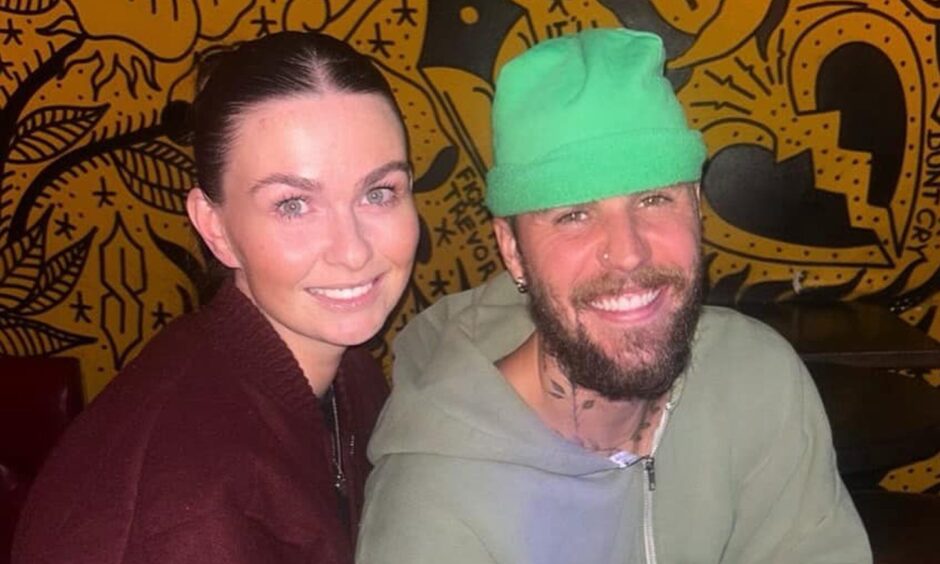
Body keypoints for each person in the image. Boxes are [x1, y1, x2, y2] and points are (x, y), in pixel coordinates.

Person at [356, 28, 870, 564]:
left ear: (696, 206)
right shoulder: (433, 507)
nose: (627, 253)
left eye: (653, 199)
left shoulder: (756, 377)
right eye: (574, 214)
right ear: (512, 249)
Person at [13, 31, 418, 564]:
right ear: (215, 226)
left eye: (379, 192)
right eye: (294, 204)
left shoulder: (347, 366)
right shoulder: (188, 520)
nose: (353, 251)